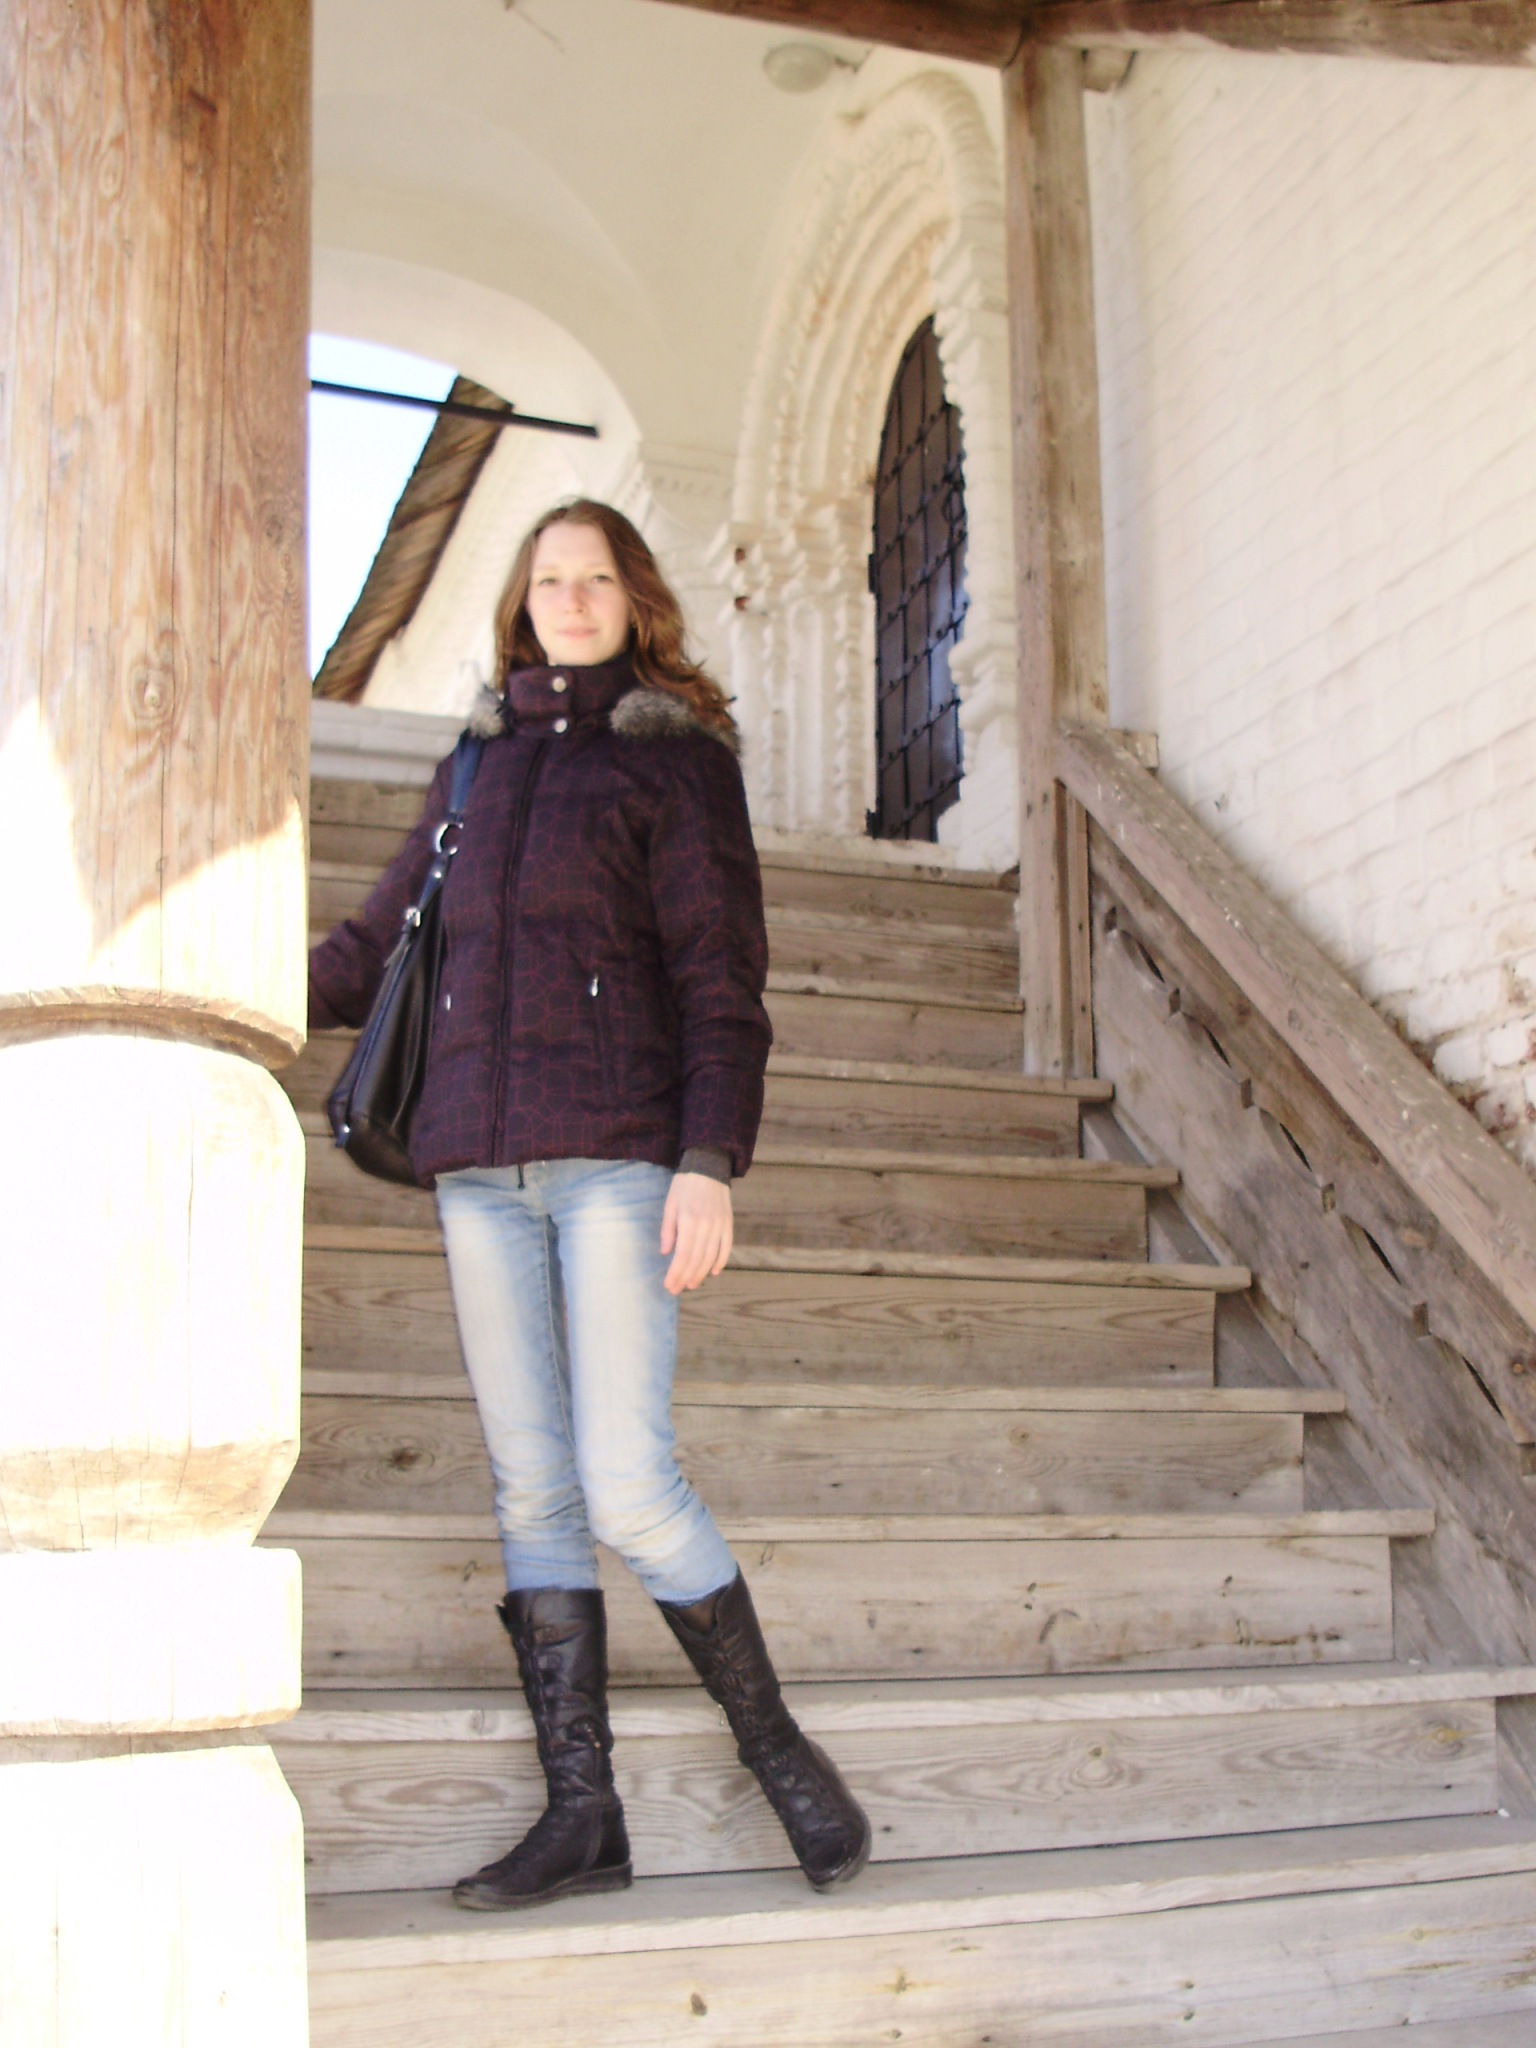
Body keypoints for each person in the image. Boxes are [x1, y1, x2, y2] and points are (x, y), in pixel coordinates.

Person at [308, 499, 871, 1911]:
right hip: (473, 1170)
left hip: (620, 1155)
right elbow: (373, 945)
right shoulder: (474, 764)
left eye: (594, 578)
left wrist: (709, 1157)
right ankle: (585, 1817)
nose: (569, 599)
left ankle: (778, 1751)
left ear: (634, 600)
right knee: (533, 1484)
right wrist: (222, 976)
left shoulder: (673, 765)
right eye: (548, 579)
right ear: (524, 603)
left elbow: (719, 970)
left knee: (625, 1477)